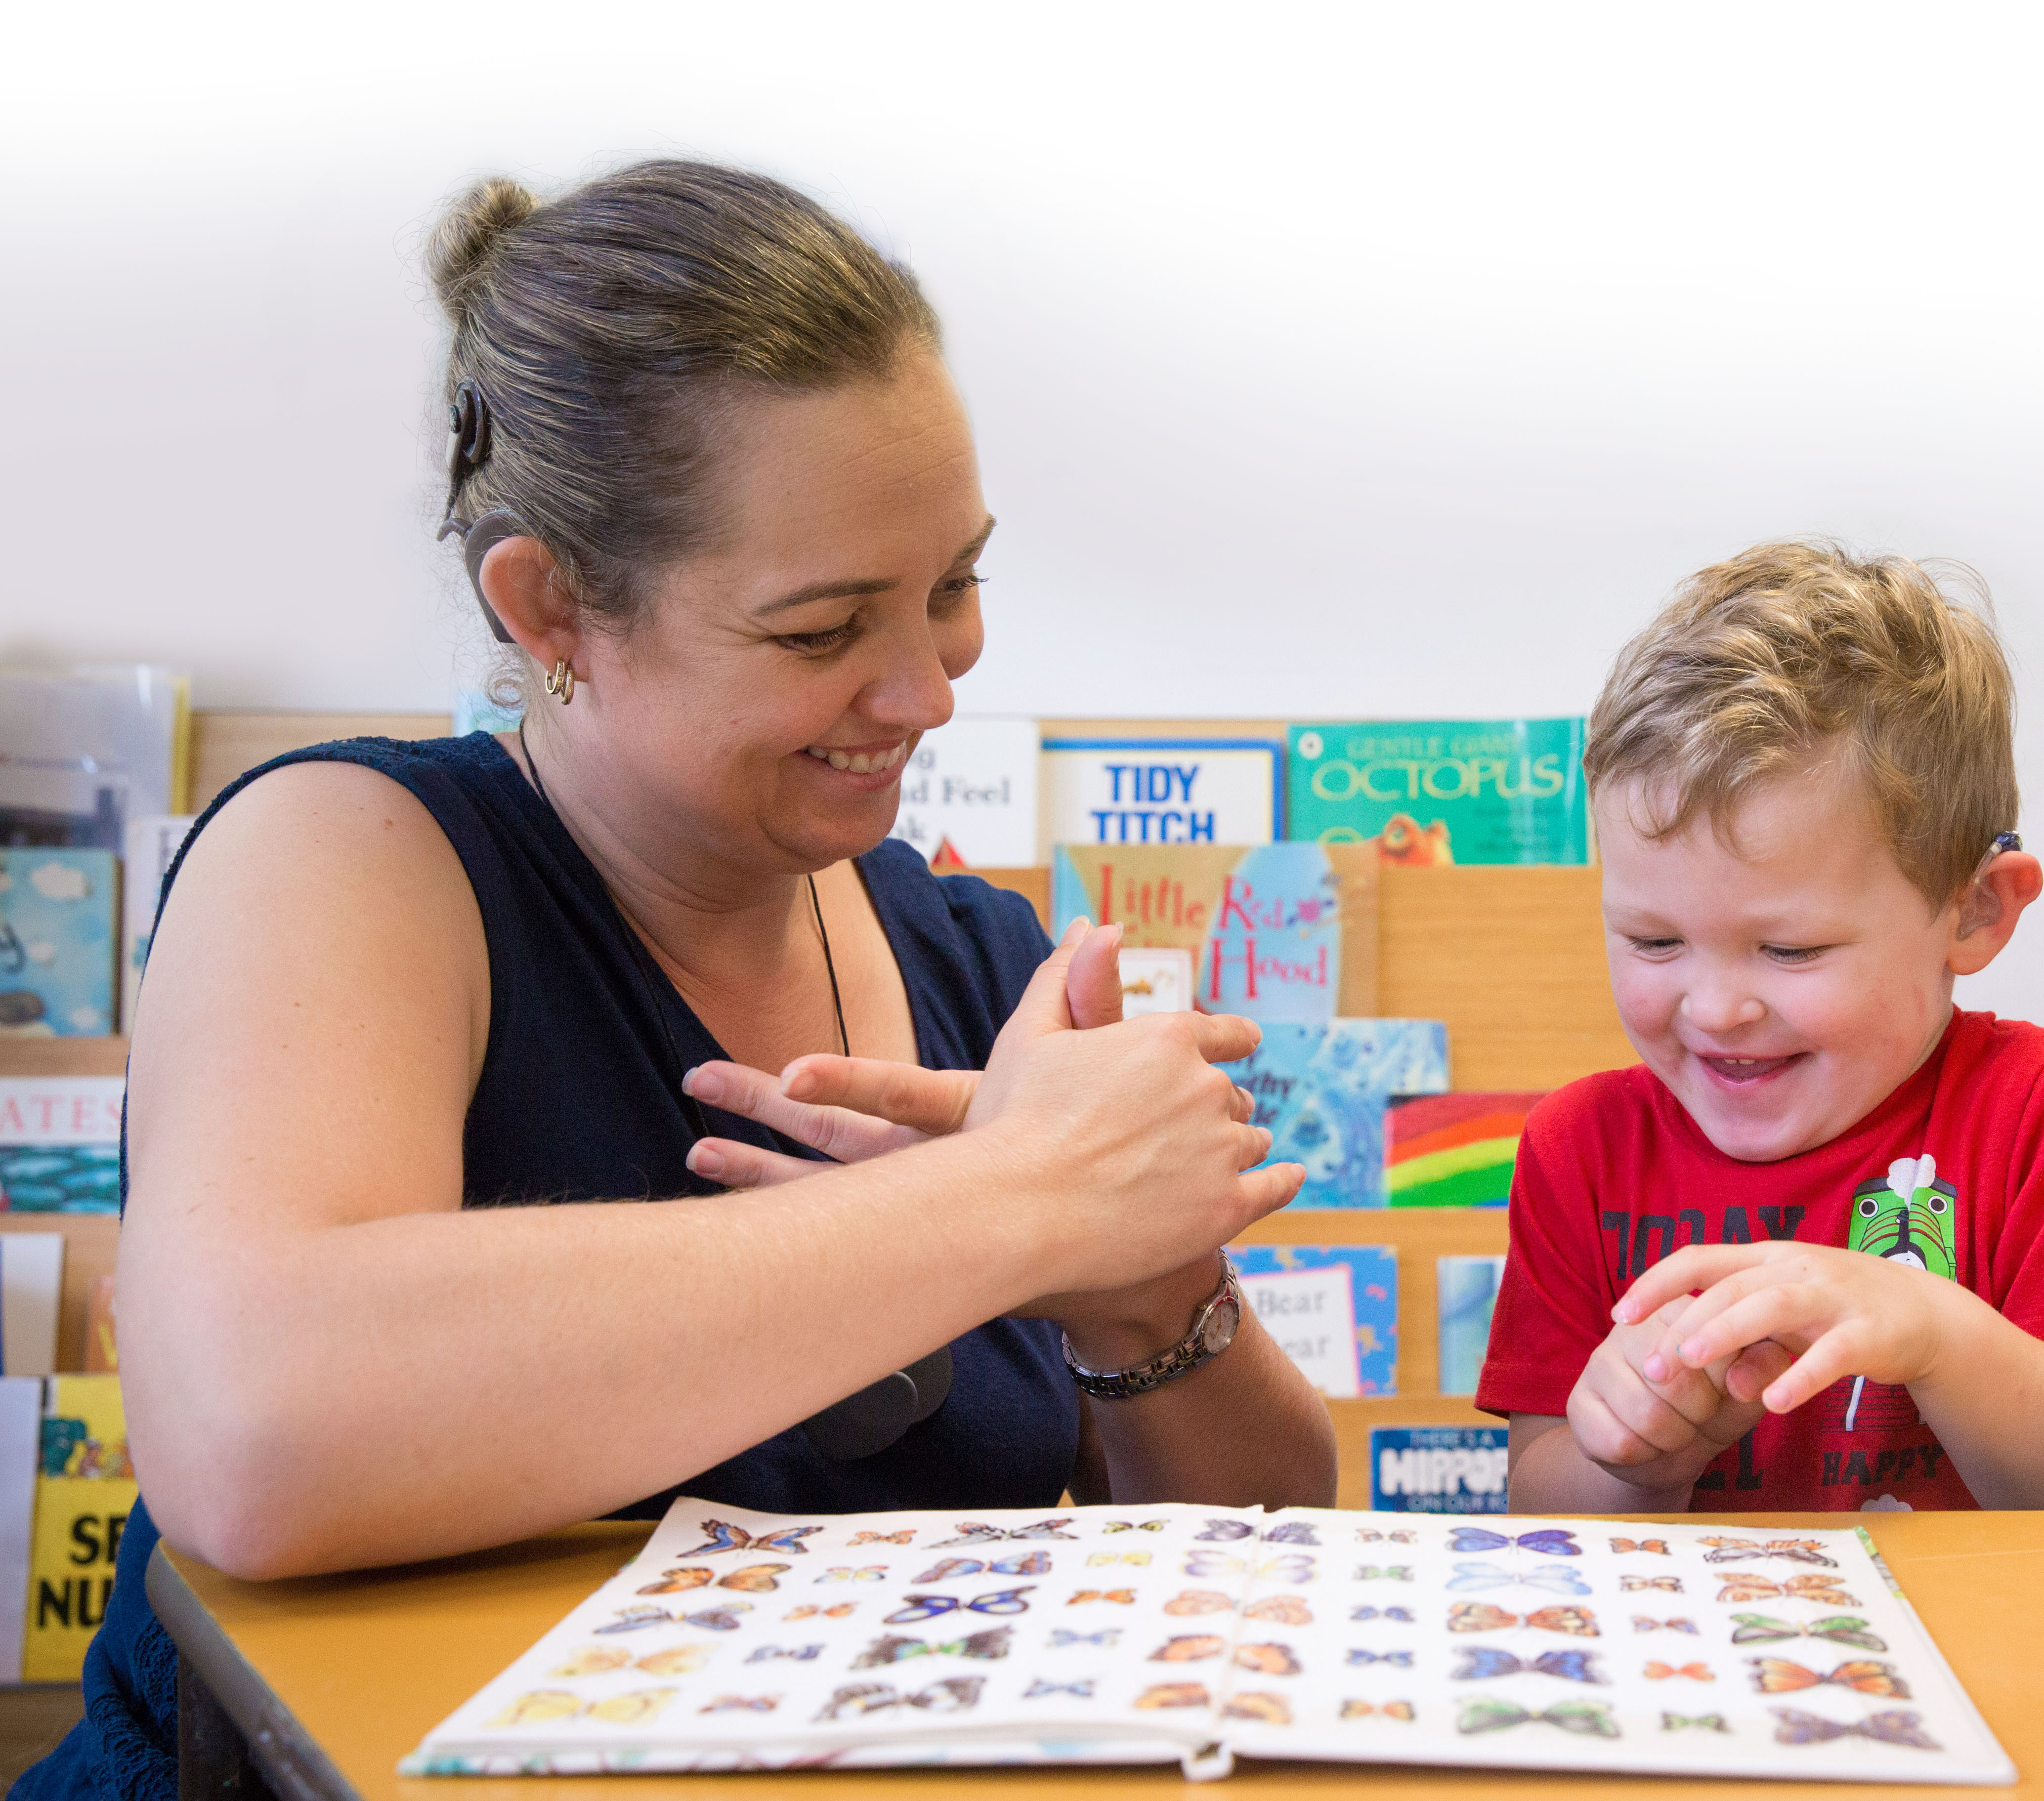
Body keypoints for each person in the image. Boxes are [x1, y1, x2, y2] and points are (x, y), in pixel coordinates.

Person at [19, 161, 1333, 1801]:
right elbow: (254, 1435)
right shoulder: (347, 855)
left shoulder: (974, 957)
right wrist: (1025, 1199)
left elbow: (1266, 1552)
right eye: (824, 625)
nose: (926, 686)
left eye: (954, 584)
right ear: (551, 604)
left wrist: (1142, 1297)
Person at [1481, 541, 2044, 1513]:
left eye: (1789, 951)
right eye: (1655, 940)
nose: (1716, 1007)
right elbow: (1540, 1505)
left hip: (1991, 1663)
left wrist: (1935, 1331)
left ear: (1974, 912)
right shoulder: (1580, 1149)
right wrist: (1632, 1459)